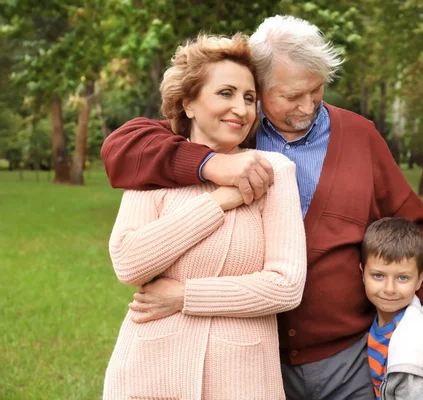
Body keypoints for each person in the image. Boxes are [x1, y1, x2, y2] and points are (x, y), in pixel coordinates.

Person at [101, 15, 423, 400]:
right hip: (257, 362)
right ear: (258, 87)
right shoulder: (233, 128)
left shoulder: (360, 137)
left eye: (317, 90)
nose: (307, 106)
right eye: (291, 96)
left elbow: (418, 232)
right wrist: (212, 165)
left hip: (347, 356)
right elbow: (123, 148)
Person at [102, 33, 307, 400]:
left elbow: (285, 286)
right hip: (149, 373)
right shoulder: (154, 166)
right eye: (225, 93)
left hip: (242, 380)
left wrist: (185, 295)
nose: (241, 109)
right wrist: (218, 203)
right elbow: (129, 263)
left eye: (249, 98)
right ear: (189, 104)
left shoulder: (272, 171)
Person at [361, 217, 423, 400]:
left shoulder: (412, 346)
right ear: (362, 274)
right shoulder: (379, 321)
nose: (389, 289)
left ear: (420, 280)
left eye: (402, 278)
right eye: (378, 275)